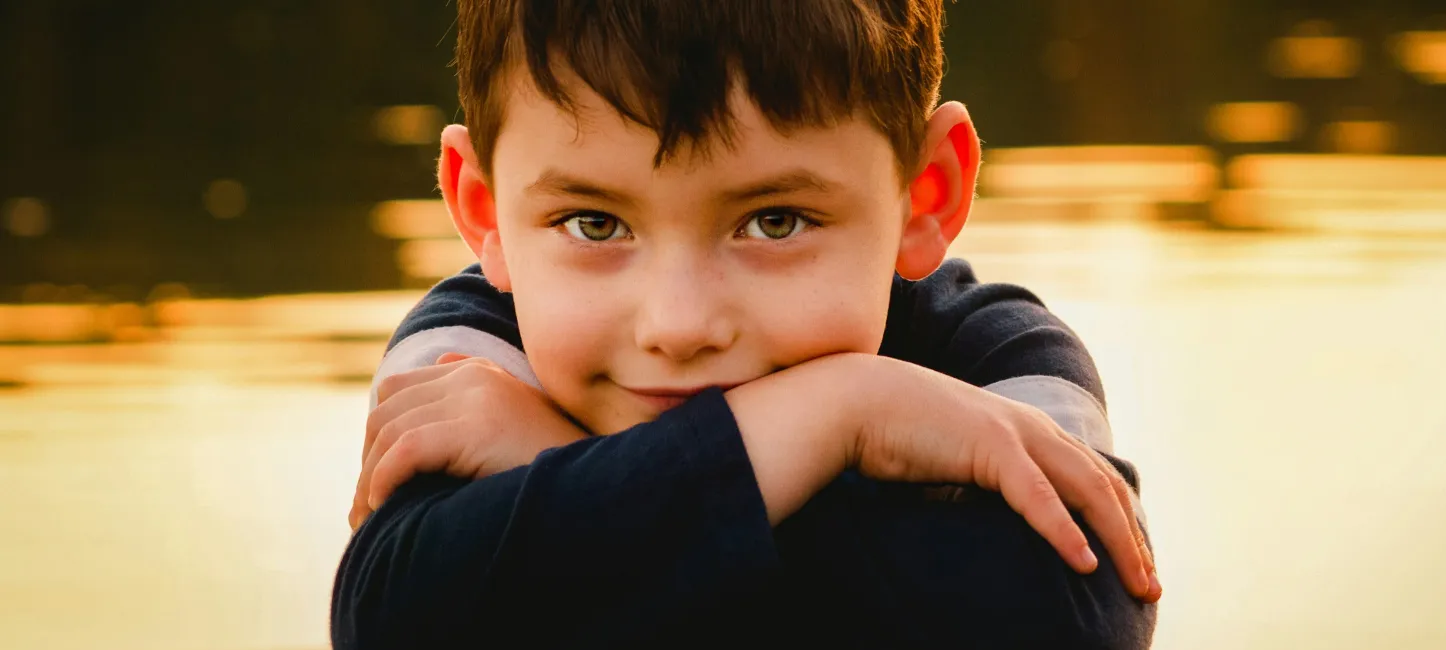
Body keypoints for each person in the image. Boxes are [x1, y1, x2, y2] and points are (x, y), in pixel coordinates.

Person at [332, 1, 1160, 647]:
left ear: (926, 192)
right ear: (483, 211)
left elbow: (1073, 621)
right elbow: (395, 619)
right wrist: (835, 417)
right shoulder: (473, 351)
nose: (679, 326)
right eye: (593, 223)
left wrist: (567, 469)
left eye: (774, 222)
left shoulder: (993, 355)